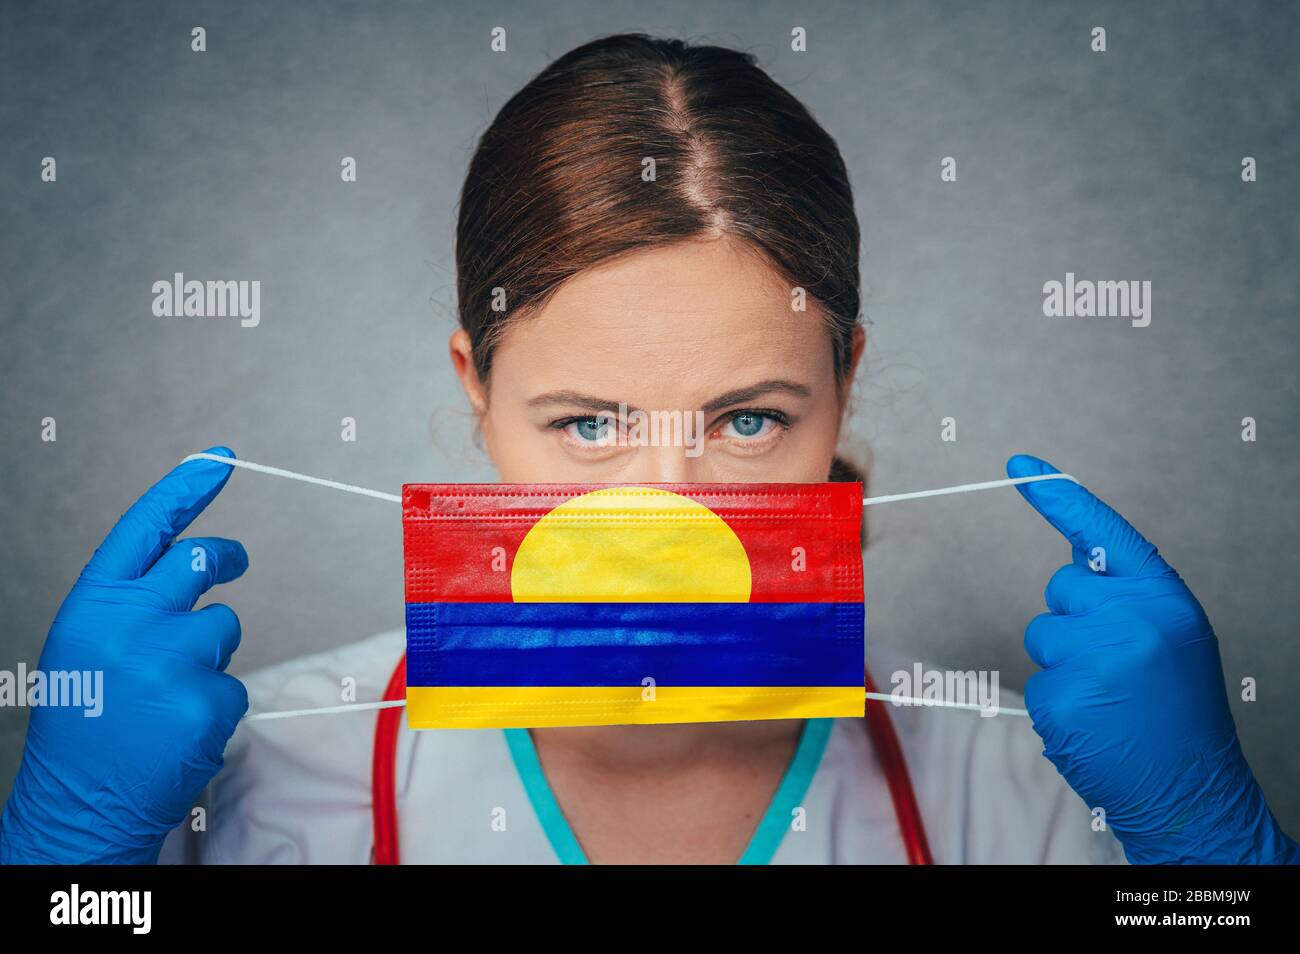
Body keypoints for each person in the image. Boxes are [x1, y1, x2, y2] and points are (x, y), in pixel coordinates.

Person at [1, 34, 1294, 866]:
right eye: (586, 424)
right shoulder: (247, 778)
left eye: (748, 420)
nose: (663, 513)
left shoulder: (1031, 791)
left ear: (842, 388)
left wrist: (1215, 858)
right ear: (476, 388)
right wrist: (66, 869)